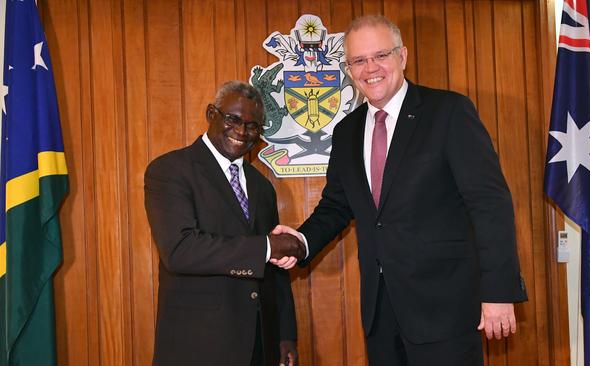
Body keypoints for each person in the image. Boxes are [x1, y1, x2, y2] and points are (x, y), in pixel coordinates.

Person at [272, 15, 527, 365]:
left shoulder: (448, 112)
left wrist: (498, 292)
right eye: (358, 60)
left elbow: (490, 203)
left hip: (445, 309)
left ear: (403, 56)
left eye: (380, 55)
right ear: (348, 68)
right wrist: (300, 242)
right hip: (380, 312)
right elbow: (336, 206)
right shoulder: (346, 132)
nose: (370, 68)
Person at [144, 81, 305, 366]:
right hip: (198, 344)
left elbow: (276, 270)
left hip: (260, 343)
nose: (242, 131)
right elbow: (180, 250)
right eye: (233, 119)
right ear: (211, 114)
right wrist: (266, 248)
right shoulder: (169, 170)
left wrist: (285, 333)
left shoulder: (262, 187)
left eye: (253, 126)